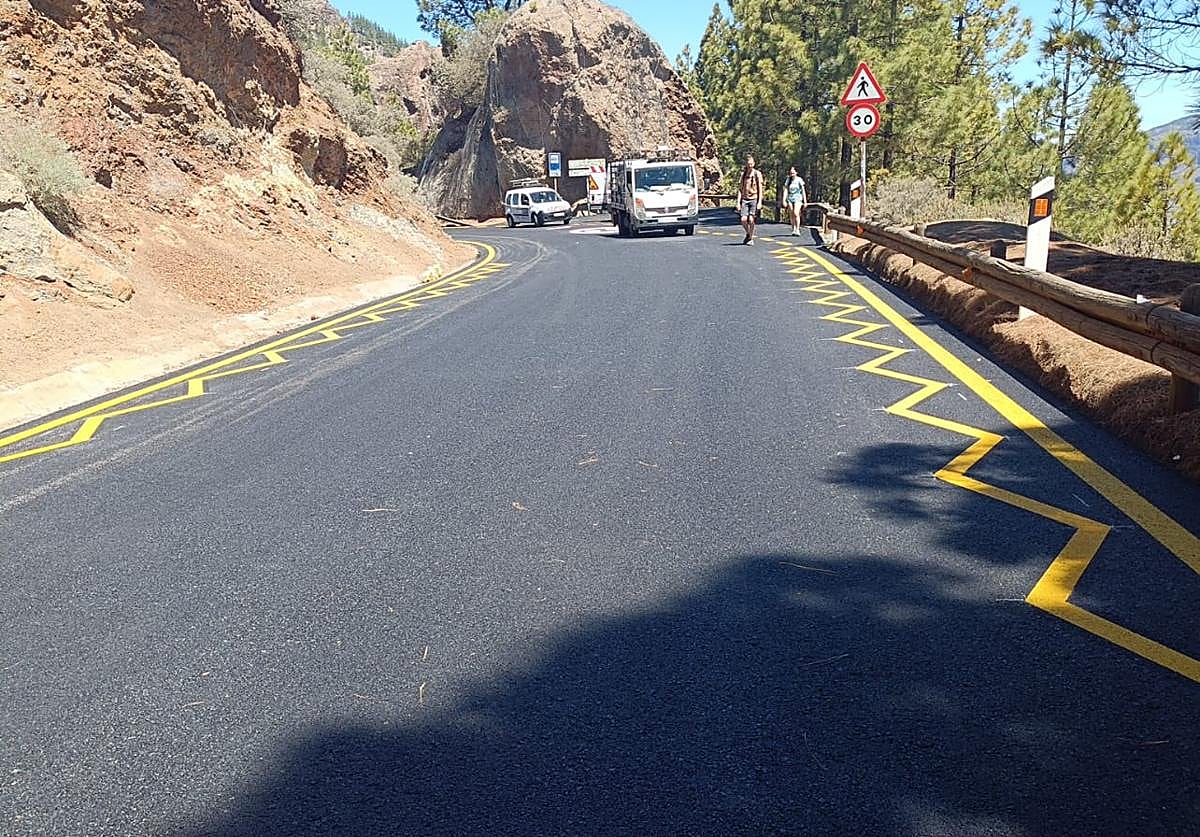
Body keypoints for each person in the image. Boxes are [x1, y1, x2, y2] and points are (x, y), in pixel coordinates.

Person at [736, 154, 764, 245]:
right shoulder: (743, 175)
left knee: (751, 219)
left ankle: (751, 238)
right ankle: (748, 234)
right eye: (748, 164)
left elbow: (760, 188)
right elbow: (740, 189)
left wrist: (760, 202)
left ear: (754, 164)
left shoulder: (757, 174)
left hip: (754, 199)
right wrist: (738, 202)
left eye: (751, 164)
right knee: (743, 219)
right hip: (745, 199)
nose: (750, 165)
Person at [782, 166, 807, 236]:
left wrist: (805, 201)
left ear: (796, 172)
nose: (792, 174)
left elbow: (803, 190)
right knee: (791, 214)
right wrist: (784, 200)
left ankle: (798, 229)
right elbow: (786, 190)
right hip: (790, 198)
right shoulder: (788, 180)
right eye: (791, 173)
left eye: (793, 173)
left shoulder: (799, 180)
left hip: (798, 198)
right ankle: (793, 228)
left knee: (796, 213)